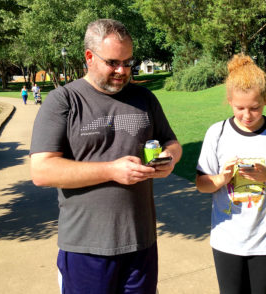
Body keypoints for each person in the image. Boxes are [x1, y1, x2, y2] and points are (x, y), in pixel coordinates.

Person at [30, 19, 182, 294]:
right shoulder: (64, 101)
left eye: (128, 62)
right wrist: (111, 170)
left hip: (141, 243)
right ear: (89, 56)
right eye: (113, 62)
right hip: (86, 248)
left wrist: (169, 158)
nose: (122, 70)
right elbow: (41, 171)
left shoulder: (144, 98)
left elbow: (171, 142)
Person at [196, 54, 266, 294]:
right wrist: (220, 179)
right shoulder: (217, 133)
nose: (247, 115)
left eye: (254, 108)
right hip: (227, 238)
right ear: (229, 100)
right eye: (239, 108)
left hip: (265, 239)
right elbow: (202, 184)